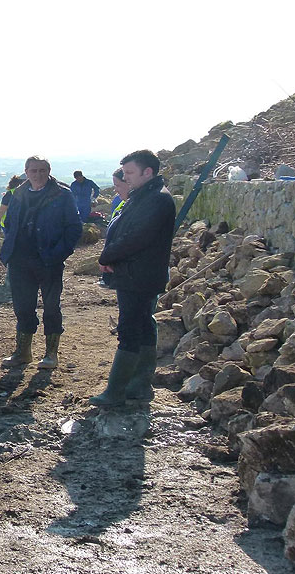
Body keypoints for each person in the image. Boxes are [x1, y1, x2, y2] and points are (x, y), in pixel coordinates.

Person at [91, 149, 175, 407]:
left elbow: (137, 237)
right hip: (135, 272)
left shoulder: (157, 200)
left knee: (129, 329)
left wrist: (107, 257)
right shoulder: (145, 195)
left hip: (139, 275)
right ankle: (139, 385)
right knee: (143, 325)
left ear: (147, 172)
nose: (126, 179)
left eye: (129, 173)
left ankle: (116, 391)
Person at [0, 156, 82, 370]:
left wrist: (59, 253)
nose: (38, 174)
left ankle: (51, 354)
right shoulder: (18, 193)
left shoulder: (63, 194)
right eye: (34, 170)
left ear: (49, 171)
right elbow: (9, 224)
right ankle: (23, 352)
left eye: (42, 170)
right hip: (19, 260)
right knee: (23, 307)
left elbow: (74, 228)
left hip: (49, 261)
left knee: (52, 307)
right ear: (26, 171)